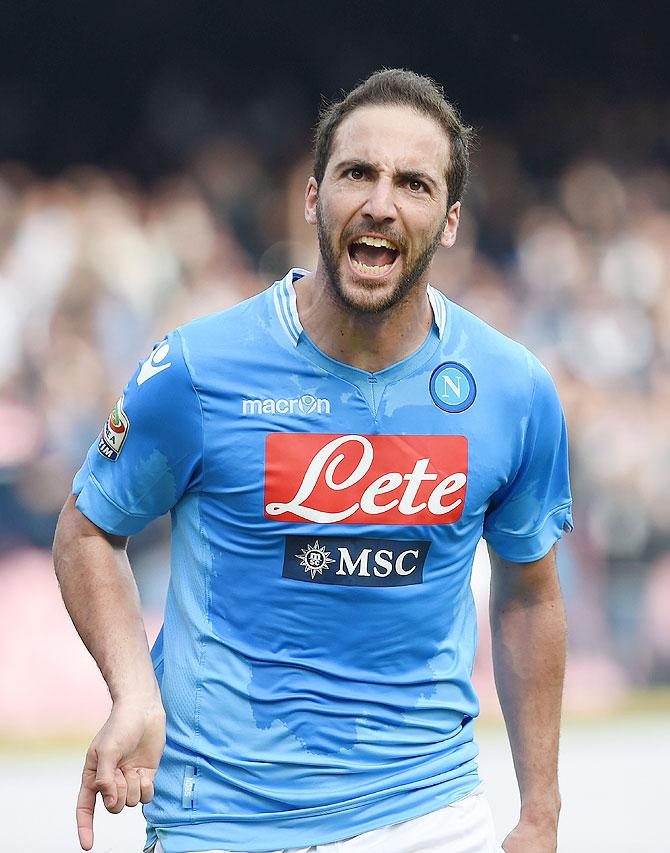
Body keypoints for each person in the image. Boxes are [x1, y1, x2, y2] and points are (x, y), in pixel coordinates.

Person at [53, 69, 572, 853]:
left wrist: (541, 810)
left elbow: (530, 593)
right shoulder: (198, 369)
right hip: (222, 819)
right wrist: (133, 690)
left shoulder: (513, 389)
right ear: (311, 197)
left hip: (428, 813)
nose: (381, 203)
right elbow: (88, 529)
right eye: (357, 173)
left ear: (452, 219)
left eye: (414, 183)